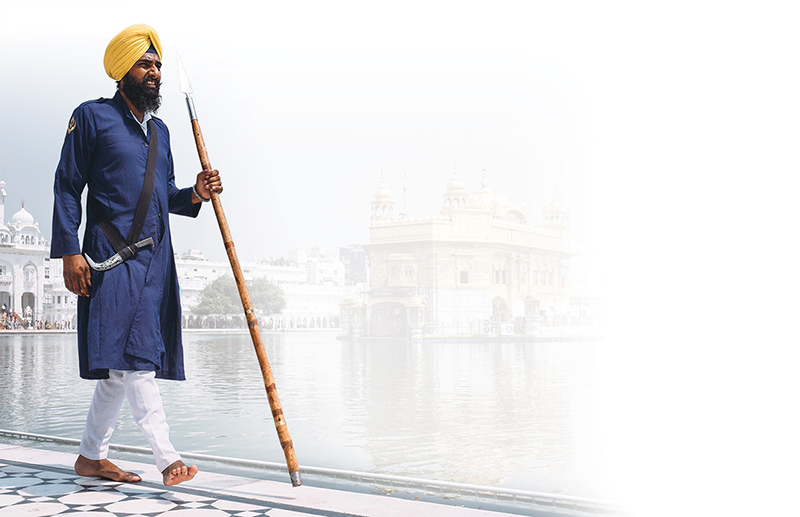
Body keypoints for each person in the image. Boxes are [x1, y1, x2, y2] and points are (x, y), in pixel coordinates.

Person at [50, 24, 222, 486]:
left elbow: (164, 194)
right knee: (136, 362)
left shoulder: (161, 132)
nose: (155, 72)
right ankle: (168, 459)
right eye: (145, 64)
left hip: (155, 263)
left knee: (119, 369)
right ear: (122, 70)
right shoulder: (91, 117)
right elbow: (67, 185)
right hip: (109, 259)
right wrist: (69, 251)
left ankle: (90, 457)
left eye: (158, 65)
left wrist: (195, 193)